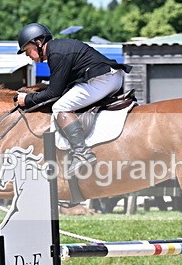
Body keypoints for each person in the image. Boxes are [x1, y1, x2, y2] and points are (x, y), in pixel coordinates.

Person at [14, 23, 132, 175]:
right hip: (111, 78)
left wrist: (28, 99)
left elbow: (53, 94)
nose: (27, 55)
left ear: (38, 43)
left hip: (102, 80)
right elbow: (60, 88)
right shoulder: (57, 49)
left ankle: (81, 153)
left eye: (27, 50)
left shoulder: (55, 54)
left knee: (60, 107)